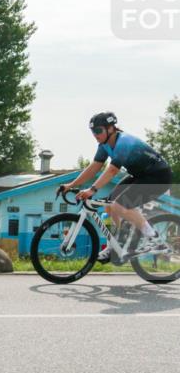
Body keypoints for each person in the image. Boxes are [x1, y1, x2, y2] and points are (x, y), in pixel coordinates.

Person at [59, 111, 173, 263]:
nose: (95, 134)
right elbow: (94, 167)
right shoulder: (104, 145)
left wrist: (92, 190)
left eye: (98, 130)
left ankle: (154, 239)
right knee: (109, 206)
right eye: (93, 131)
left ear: (111, 128)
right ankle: (115, 245)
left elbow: (112, 170)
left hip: (159, 177)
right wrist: (71, 184)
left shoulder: (124, 142)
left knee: (119, 206)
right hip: (140, 175)